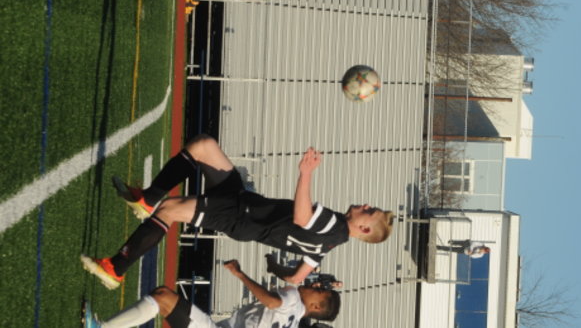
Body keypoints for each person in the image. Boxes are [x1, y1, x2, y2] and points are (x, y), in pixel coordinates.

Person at [81, 134, 394, 289]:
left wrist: (306, 173)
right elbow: (296, 278)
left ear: (364, 229)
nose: (366, 205)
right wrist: (275, 267)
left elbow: (301, 218)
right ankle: (147, 198)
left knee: (170, 210)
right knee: (204, 145)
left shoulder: (335, 224)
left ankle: (115, 268)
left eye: (371, 211)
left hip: (240, 215)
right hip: (243, 204)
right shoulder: (330, 245)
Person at [82, 259, 340, 327]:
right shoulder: (293, 321)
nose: (317, 287)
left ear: (316, 307)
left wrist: (240, 274)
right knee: (163, 299)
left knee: (163, 297)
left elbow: (273, 302)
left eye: (320, 292)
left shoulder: (293, 299)